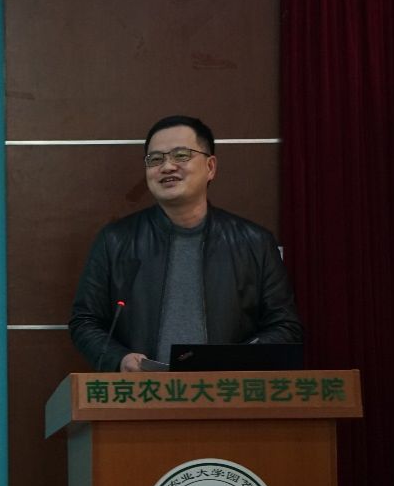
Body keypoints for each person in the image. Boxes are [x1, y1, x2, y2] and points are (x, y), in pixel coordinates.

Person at [69, 115, 302, 372]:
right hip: (143, 391)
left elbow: (285, 327)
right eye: (155, 159)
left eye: (181, 155)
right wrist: (119, 359)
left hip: (225, 390)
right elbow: (85, 321)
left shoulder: (254, 242)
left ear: (210, 167)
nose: (167, 167)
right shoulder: (115, 240)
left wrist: (237, 360)